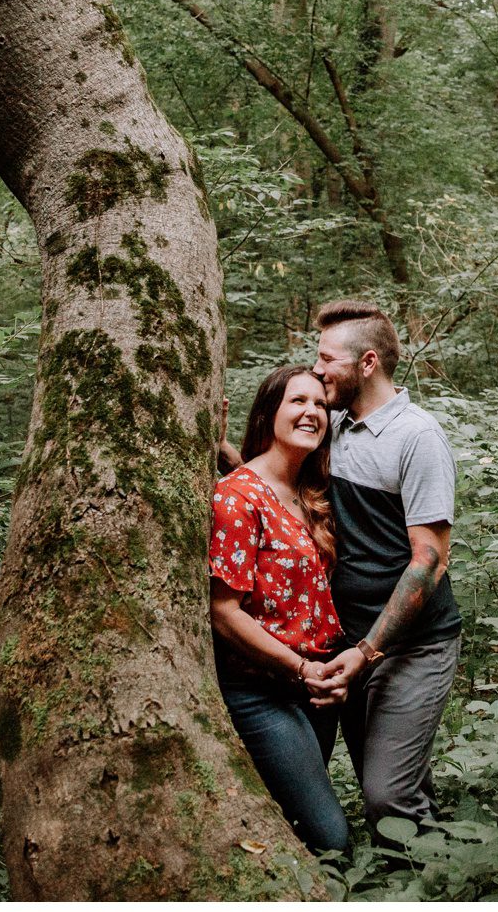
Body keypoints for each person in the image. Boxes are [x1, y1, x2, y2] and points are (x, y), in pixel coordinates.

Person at [304, 299, 462, 840]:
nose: (317, 369)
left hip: (413, 645)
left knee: (387, 794)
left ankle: (431, 875)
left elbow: (430, 561)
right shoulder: (332, 426)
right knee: (394, 786)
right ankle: (418, 863)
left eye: (327, 359)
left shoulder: (417, 437)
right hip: (348, 639)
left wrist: (368, 651)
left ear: (367, 363)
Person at [209, 365, 353, 857]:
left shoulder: (310, 492)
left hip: (317, 690)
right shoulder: (237, 496)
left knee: (292, 824)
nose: (313, 412)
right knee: (330, 839)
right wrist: (300, 668)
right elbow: (223, 611)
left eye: (320, 404)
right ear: (269, 413)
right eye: (298, 401)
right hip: (262, 689)